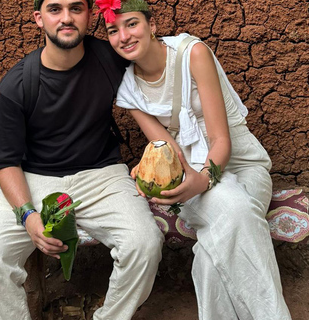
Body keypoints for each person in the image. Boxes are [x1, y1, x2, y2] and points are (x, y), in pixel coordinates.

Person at [0, 0, 164, 319]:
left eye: (76, 8)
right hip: (33, 179)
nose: (66, 18)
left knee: (143, 244)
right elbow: (6, 164)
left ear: (90, 15)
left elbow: (163, 62)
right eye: (55, 9)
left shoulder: (111, 57)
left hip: (102, 175)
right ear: (39, 18)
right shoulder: (16, 84)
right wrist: (29, 216)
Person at [99, 0, 293, 319]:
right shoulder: (127, 87)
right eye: (113, 30)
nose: (124, 36)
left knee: (216, 244)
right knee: (235, 210)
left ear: (152, 25)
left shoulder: (193, 53)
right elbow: (166, 149)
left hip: (241, 162)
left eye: (131, 24)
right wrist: (150, 172)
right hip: (187, 172)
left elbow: (220, 139)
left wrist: (204, 178)